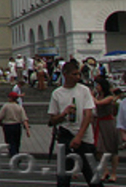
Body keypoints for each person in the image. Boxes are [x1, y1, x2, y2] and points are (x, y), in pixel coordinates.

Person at [48, 58, 102, 187]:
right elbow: (52, 120)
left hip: (84, 138)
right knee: (63, 177)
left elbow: (88, 114)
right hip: (66, 135)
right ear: (65, 74)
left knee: (92, 176)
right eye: (74, 74)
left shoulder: (83, 90)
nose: (77, 77)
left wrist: (79, 136)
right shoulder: (57, 94)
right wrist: (63, 114)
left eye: (78, 74)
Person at [93, 76, 119, 182]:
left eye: (98, 85)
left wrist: (91, 96)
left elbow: (99, 103)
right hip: (99, 122)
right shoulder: (97, 96)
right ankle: (105, 170)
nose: (96, 87)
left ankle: (113, 172)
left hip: (108, 123)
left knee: (112, 149)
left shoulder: (109, 97)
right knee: (99, 149)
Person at [0, 90, 31, 157]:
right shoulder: (19, 107)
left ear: (10, 98)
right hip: (17, 125)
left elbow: (0, 117)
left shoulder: (6, 106)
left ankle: (13, 155)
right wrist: (27, 130)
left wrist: (0, 123)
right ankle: (16, 154)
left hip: (7, 126)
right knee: (17, 142)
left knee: (10, 142)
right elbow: (24, 119)